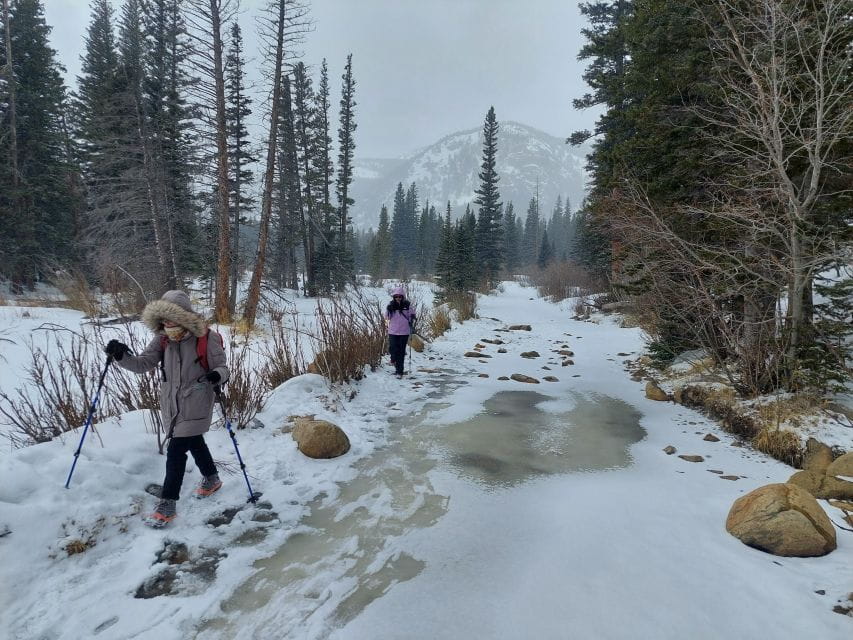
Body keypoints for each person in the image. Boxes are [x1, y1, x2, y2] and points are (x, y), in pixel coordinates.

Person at [104, 290, 229, 527]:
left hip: (197, 400)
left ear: (184, 316)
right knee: (194, 442)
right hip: (171, 404)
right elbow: (143, 364)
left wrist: (216, 376)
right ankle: (212, 479)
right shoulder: (163, 339)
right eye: (164, 319)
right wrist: (121, 356)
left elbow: (223, 368)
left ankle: (168, 503)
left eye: (172, 318)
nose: (168, 323)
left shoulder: (205, 337)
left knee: (176, 449)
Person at [385, 286, 416, 379]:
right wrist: (388, 311)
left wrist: (412, 317)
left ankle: (399, 371)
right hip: (393, 331)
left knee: (401, 352)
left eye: (400, 296)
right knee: (392, 348)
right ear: (394, 297)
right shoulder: (391, 306)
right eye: (396, 296)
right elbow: (387, 317)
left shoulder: (407, 305)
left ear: (403, 297)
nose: (398, 298)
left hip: (404, 332)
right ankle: (393, 359)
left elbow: (412, 315)